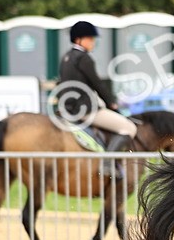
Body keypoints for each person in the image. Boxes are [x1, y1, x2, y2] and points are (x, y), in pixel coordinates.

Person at [55, 21, 137, 177]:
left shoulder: (66, 57)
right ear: (79, 39)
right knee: (129, 128)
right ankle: (107, 163)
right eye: (90, 39)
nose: (93, 42)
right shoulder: (84, 58)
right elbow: (97, 83)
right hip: (85, 110)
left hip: (67, 108)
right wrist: (111, 103)